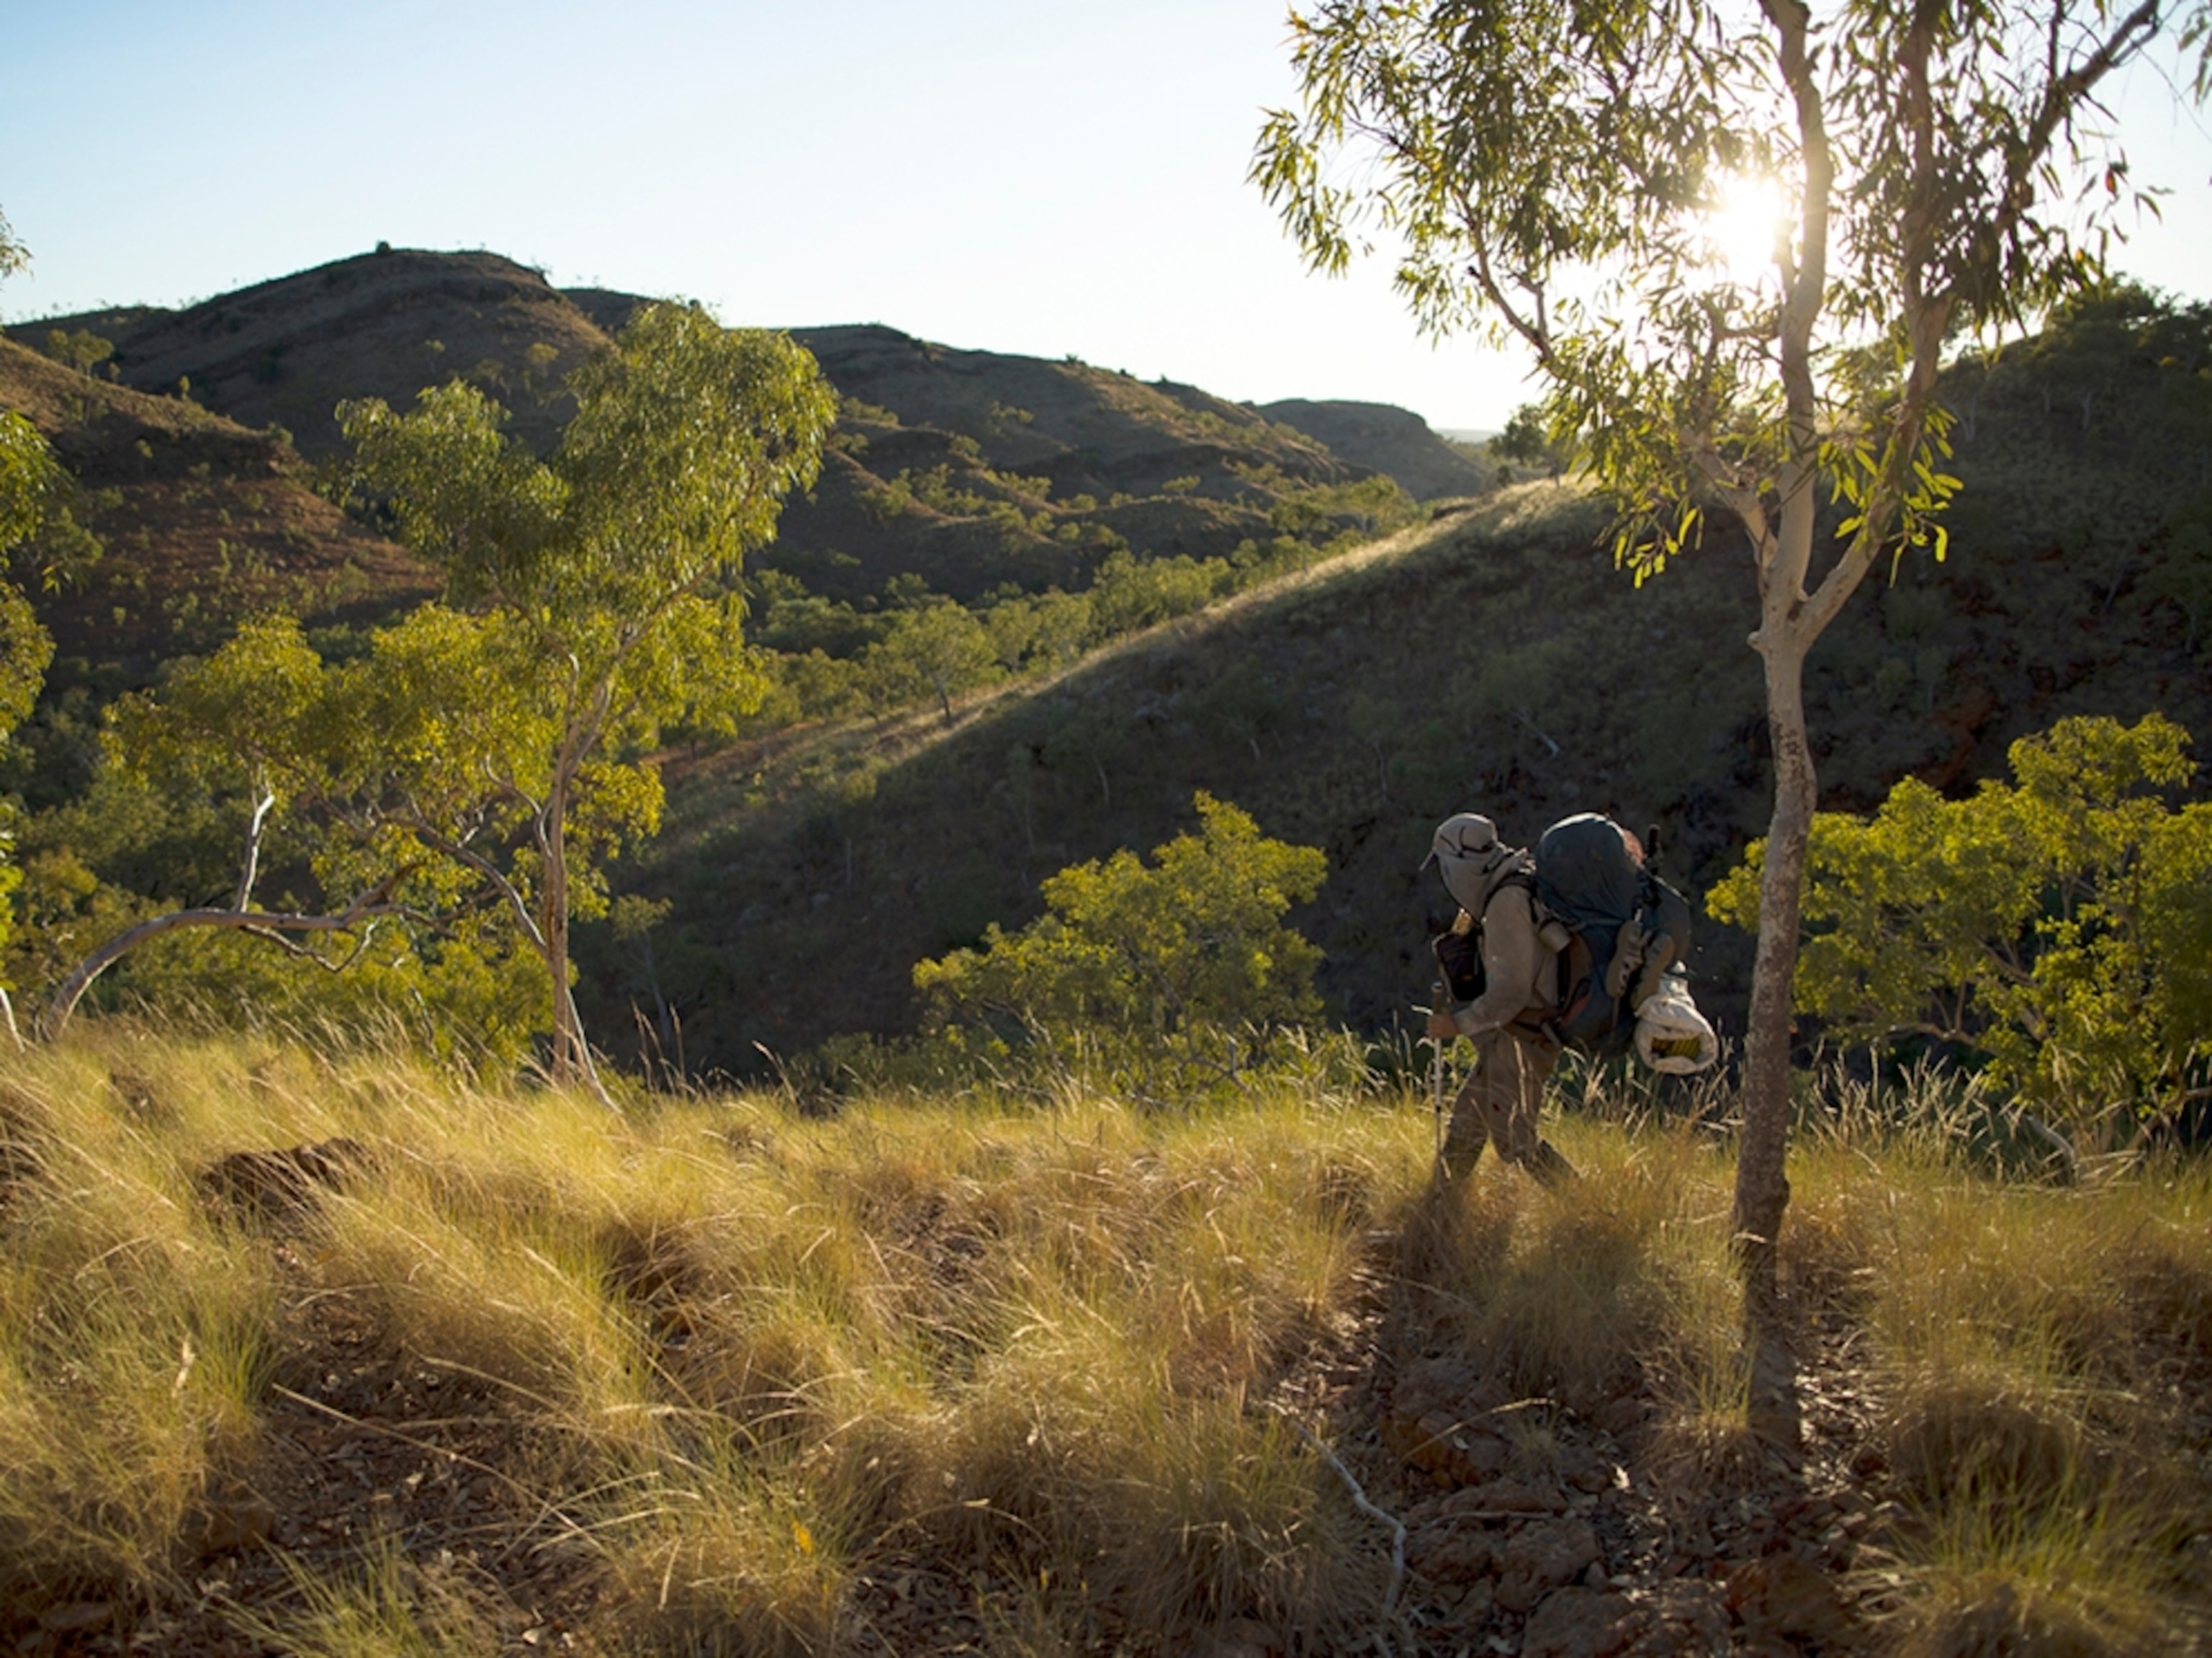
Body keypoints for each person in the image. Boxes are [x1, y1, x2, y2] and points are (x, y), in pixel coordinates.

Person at [1421, 812, 1577, 1186]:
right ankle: (1437, 1215)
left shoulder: (1507, 902)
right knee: (1468, 1118)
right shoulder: (1510, 881)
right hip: (1517, 1030)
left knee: (1515, 1140)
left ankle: (1586, 1208)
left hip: (1525, 1032)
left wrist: (1456, 1024)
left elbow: (1511, 992)